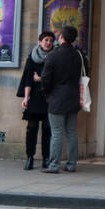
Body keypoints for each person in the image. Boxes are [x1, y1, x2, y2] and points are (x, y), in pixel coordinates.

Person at [40, 26, 83, 173]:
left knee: (57, 133)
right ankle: (71, 164)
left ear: (61, 38)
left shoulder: (53, 55)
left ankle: (54, 165)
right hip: (73, 97)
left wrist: (47, 94)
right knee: (71, 132)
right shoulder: (78, 55)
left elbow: (45, 78)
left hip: (56, 98)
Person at [16, 31, 54, 170]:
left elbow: (55, 78)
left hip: (49, 97)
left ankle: (46, 158)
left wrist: (40, 79)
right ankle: (30, 157)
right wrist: (26, 98)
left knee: (47, 129)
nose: (48, 43)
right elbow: (28, 79)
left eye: (50, 40)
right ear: (39, 42)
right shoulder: (32, 57)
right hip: (35, 97)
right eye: (46, 40)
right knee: (31, 128)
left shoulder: (54, 57)